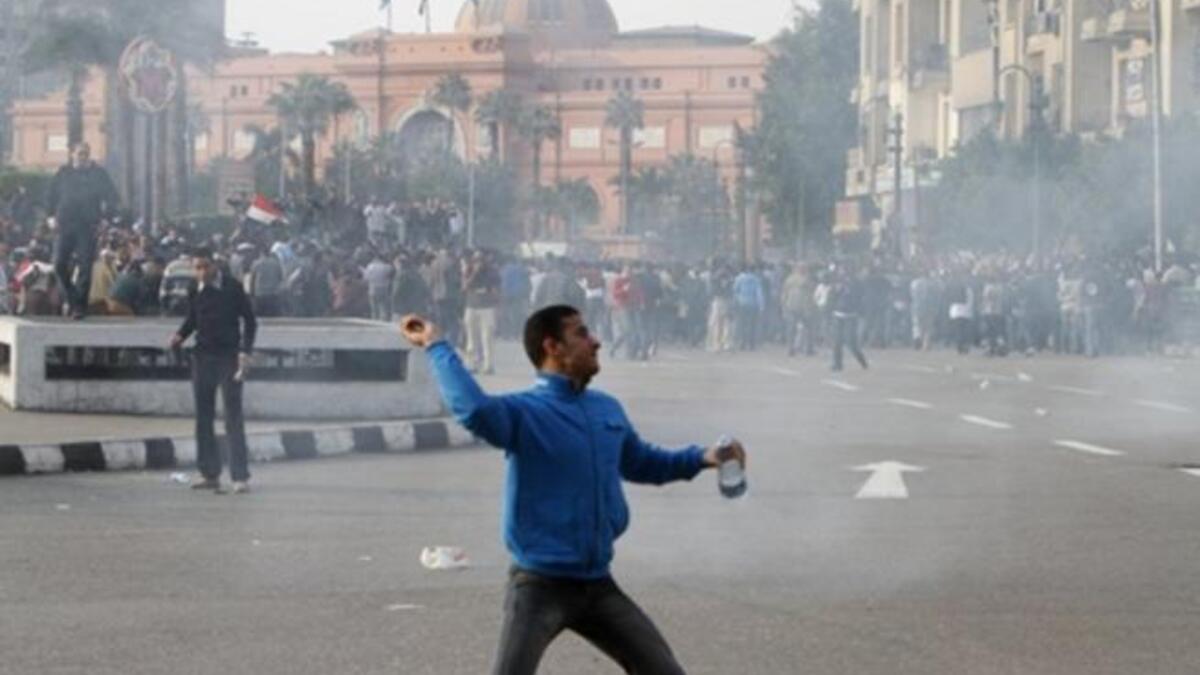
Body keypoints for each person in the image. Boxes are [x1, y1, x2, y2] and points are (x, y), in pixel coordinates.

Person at [401, 305, 748, 675]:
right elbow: (474, 411)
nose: (596, 341)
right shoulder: (525, 412)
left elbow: (643, 462)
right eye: (581, 334)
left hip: (598, 585)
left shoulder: (606, 409)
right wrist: (437, 345)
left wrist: (705, 457)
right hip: (539, 586)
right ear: (553, 347)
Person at [169, 248, 258, 495]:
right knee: (203, 417)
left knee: (232, 416)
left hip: (229, 357)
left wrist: (245, 350)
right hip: (203, 356)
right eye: (197, 268)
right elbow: (192, 320)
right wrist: (179, 335)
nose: (202, 273)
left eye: (205, 267)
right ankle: (209, 473)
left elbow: (250, 321)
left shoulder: (232, 288)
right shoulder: (194, 289)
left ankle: (240, 476)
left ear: (215, 266)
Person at [47, 142, 120, 319]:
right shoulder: (63, 173)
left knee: (86, 266)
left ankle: (79, 307)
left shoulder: (98, 174)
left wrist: (106, 219)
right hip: (64, 225)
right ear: (72, 154)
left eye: (86, 153)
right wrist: (50, 216)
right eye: (80, 153)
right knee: (58, 264)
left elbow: (113, 197)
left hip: (88, 226)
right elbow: (51, 196)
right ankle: (73, 299)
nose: (83, 157)